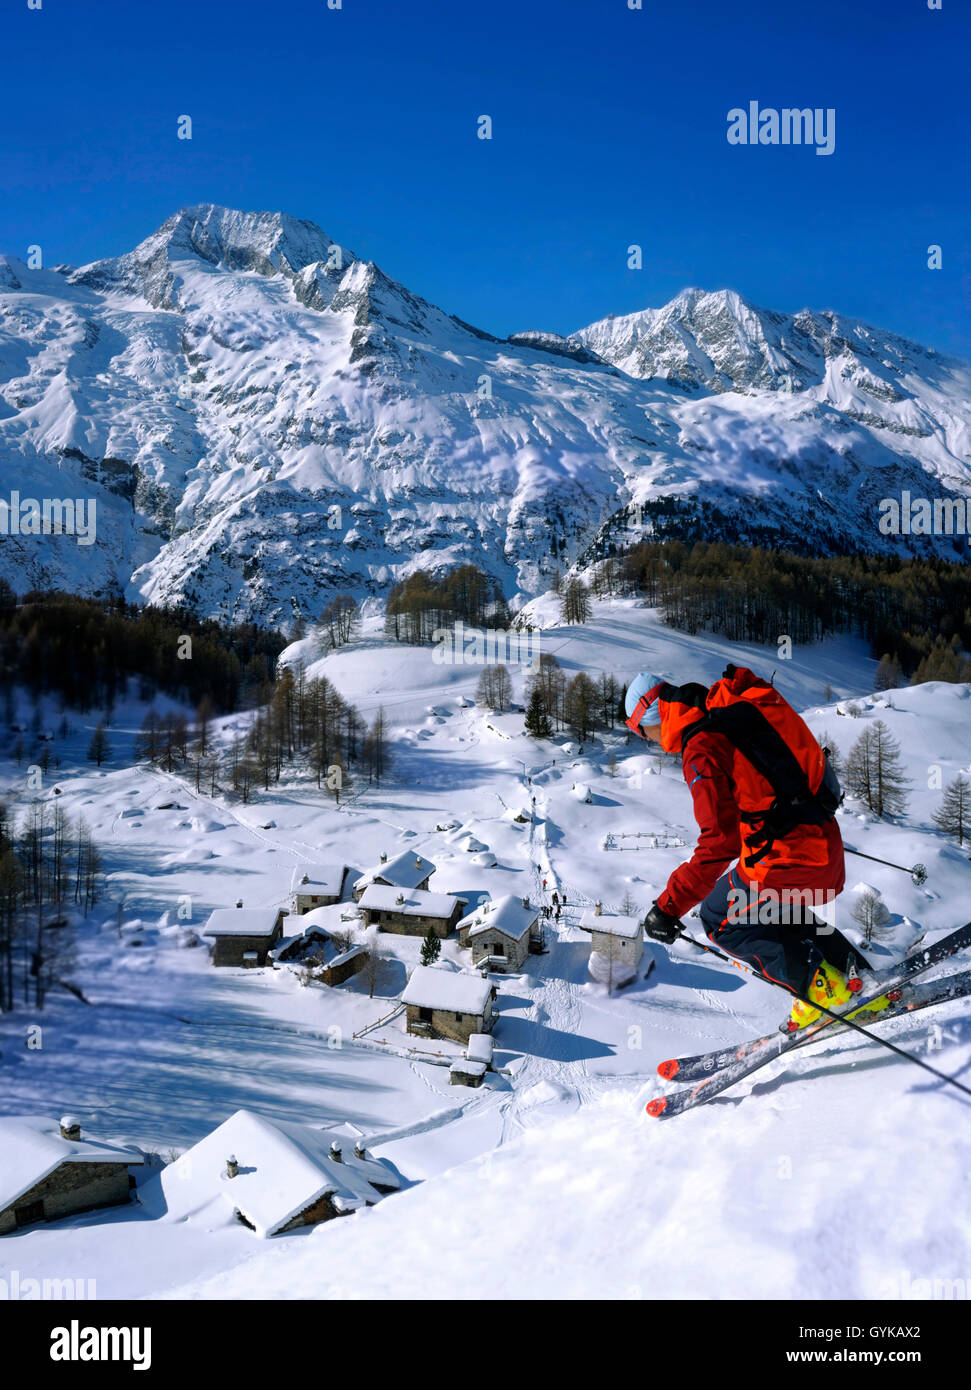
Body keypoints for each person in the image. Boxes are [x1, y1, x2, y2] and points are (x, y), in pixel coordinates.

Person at [623, 667, 890, 1031]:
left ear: (652, 717)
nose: (648, 740)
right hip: (820, 849)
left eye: (641, 731)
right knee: (770, 913)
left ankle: (822, 992)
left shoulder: (700, 746)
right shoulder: (725, 714)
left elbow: (720, 841)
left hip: (787, 861)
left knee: (719, 917)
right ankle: (854, 974)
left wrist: (668, 907)